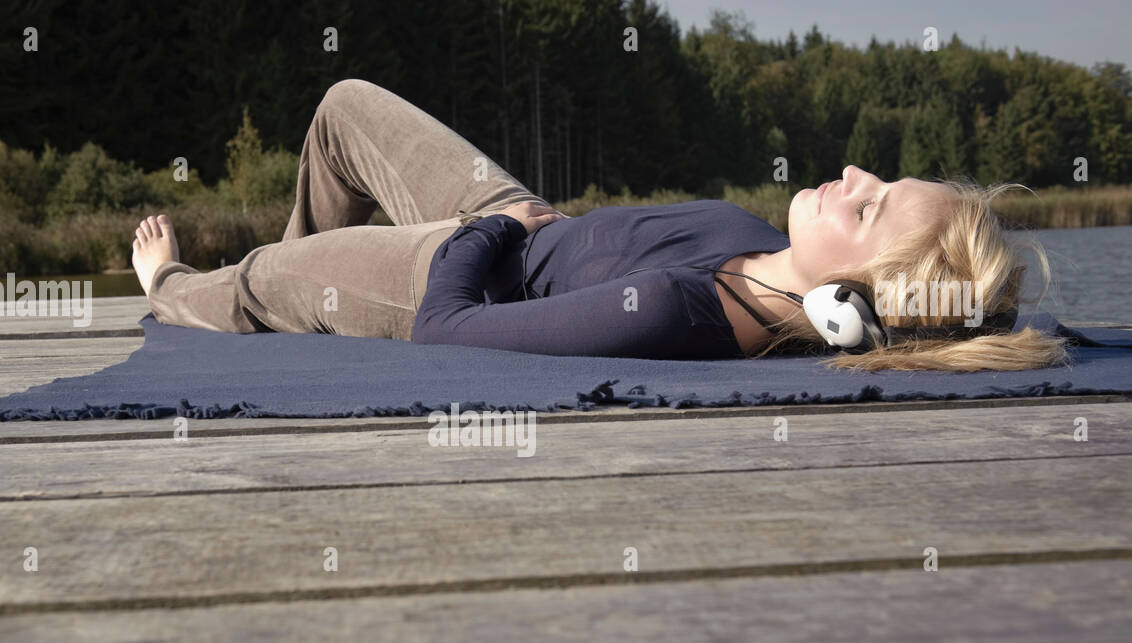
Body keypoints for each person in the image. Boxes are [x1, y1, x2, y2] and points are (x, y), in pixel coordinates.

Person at [132, 78, 1063, 372]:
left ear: (846, 306)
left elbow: (446, 329)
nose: (853, 176)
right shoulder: (763, 248)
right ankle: (298, 294)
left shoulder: (669, 311)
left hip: (453, 267)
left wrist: (498, 231)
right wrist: (524, 219)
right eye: (878, 180)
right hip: (518, 224)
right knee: (343, 108)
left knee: (262, 274)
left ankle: (184, 291)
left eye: (866, 208)